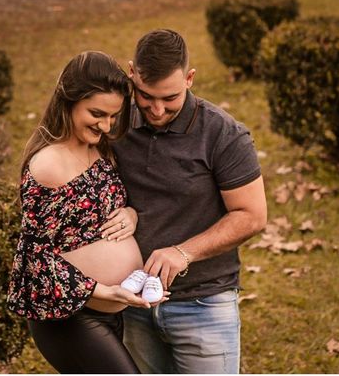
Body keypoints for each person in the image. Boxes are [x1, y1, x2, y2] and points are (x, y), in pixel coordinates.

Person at [115, 29, 268, 374]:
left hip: (204, 303)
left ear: (189, 78)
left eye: (169, 97)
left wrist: (183, 252)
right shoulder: (115, 125)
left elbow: (252, 215)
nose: (156, 109)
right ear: (131, 75)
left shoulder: (224, 135)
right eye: (145, 95)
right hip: (132, 302)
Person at [7, 51, 164, 374]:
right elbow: (34, 257)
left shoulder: (99, 149)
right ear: (69, 100)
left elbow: (103, 211)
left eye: (113, 116)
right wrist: (102, 290)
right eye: (97, 113)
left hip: (110, 311)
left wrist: (131, 215)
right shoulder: (49, 164)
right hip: (70, 315)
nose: (106, 125)